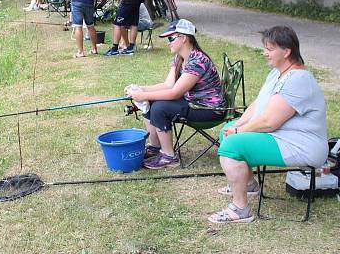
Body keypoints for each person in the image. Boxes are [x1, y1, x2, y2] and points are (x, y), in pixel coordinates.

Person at [208, 26, 327, 224]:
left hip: (301, 144)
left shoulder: (298, 79)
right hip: (282, 136)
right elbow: (257, 105)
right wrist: (237, 124)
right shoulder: (277, 73)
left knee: (231, 145)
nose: (265, 53)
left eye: (270, 49)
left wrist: (238, 131)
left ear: (286, 51)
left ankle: (240, 209)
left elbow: (269, 122)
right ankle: (248, 184)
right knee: (225, 132)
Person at [125, 19, 225, 169]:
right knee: (152, 102)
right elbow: (167, 85)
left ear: (183, 38)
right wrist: (141, 89)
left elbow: (174, 92)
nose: (168, 42)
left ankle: (169, 157)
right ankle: (155, 147)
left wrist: (144, 96)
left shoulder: (197, 61)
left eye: (171, 38)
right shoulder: (180, 57)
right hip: (194, 103)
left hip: (209, 110)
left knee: (160, 108)